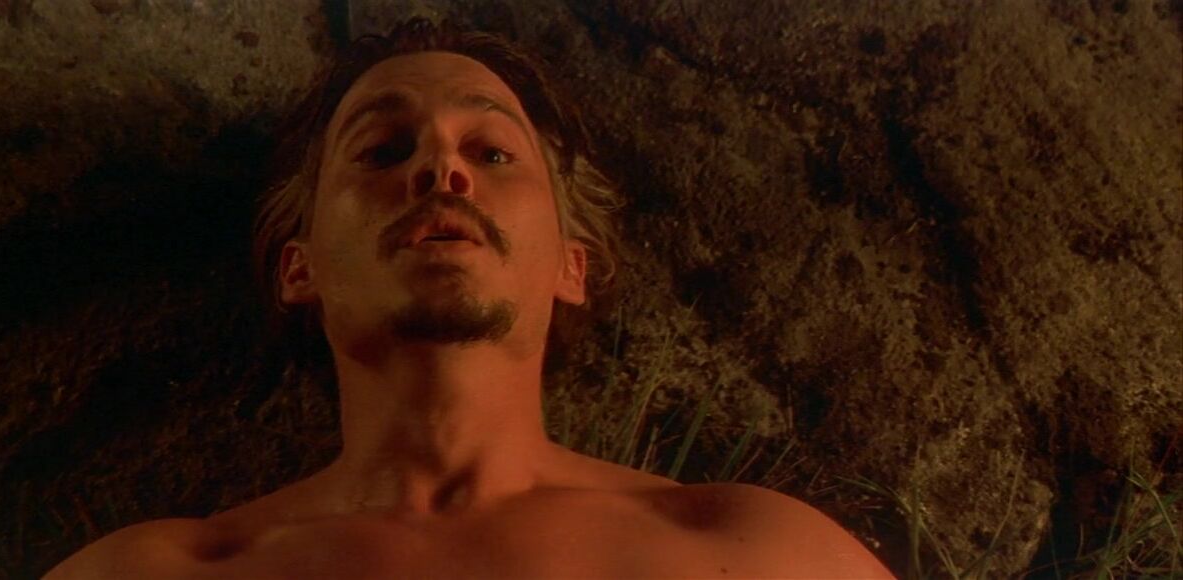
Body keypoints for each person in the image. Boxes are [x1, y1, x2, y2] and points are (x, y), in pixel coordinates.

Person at [47, 19, 893, 579]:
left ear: (571, 265)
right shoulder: (151, 573)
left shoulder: (761, 555)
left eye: (490, 153)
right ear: (298, 268)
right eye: (383, 150)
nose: (439, 168)